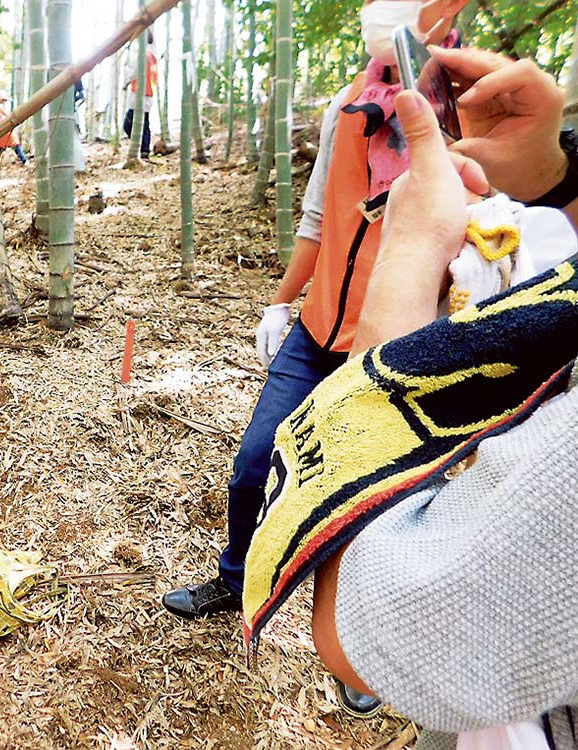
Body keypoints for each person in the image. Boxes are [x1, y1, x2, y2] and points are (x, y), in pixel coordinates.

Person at [302, 51, 578, 748]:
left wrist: (411, 252)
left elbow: (368, 624)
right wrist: (551, 177)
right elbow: (317, 223)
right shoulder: (347, 109)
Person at [163, 0, 466, 617]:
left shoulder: (469, 107)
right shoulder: (347, 104)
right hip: (317, 328)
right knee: (253, 466)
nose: (378, 12)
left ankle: (366, 629)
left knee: (386, 495)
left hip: (401, 347)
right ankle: (237, 578)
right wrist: (279, 304)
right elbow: (319, 220)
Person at [122, 29, 158, 159]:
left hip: (139, 93)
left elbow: (134, 72)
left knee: (128, 123)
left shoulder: (144, 54)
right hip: (149, 93)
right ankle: (144, 150)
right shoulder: (153, 54)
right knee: (145, 122)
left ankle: (140, 146)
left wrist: (125, 80)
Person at [0, 90, 28, 164]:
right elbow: (9, 118)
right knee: (17, 147)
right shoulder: (2, 108)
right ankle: (25, 161)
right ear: (2, 100)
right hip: (7, 132)